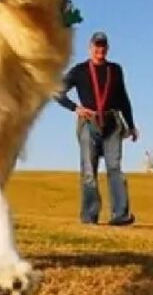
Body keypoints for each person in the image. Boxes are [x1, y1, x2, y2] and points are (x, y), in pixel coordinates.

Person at [54, 31, 139, 226]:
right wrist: (74, 107)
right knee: (89, 170)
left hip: (112, 122)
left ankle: (120, 215)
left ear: (107, 48)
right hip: (88, 122)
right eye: (96, 46)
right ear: (90, 48)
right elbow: (56, 91)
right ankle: (90, 216)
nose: (99, 49)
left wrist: (131, 126)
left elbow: (124, 99)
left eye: (103, 46)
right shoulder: (80, 70)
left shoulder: (115, 70)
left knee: (115, 168)